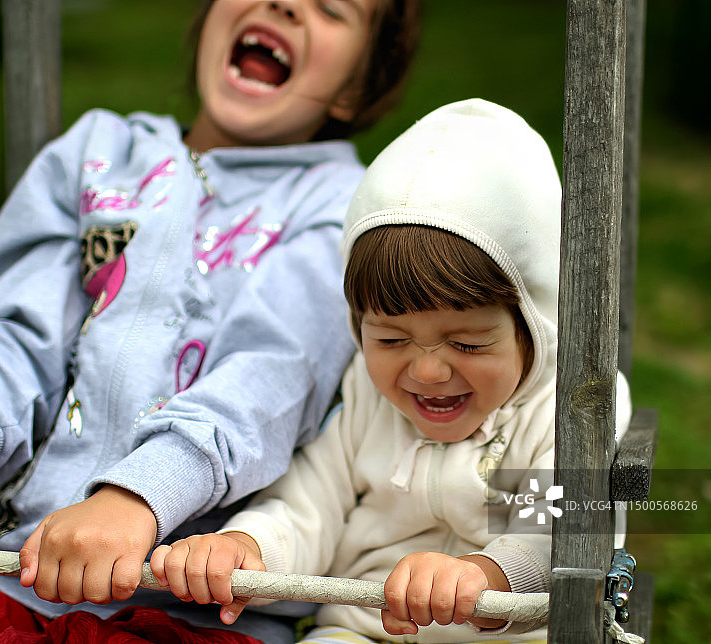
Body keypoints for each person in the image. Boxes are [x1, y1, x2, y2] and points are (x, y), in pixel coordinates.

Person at [0, 1, 420, 641]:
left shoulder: (343, 209)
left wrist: (137, 497)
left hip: (182, 613)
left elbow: (270, 379)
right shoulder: (96, 152)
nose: (286, 4)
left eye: (330, 8)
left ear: (355, 87)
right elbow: (11, 335)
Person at [148, 99, 633, 643]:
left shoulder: (572, 406)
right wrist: (247, 548)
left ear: (534, 322)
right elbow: (311, 501)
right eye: (391, 339)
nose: (426, 371)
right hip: (363, 630)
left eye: (468, 343)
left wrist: (483, 578)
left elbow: (558, 535)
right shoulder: (367, 396)